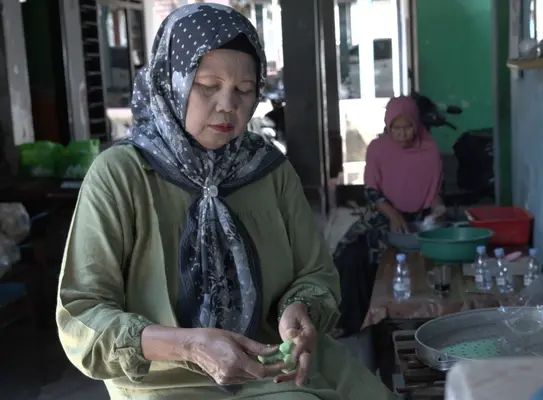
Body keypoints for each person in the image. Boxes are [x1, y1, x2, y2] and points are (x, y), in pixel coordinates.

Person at [55, 4, 394, 399]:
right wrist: (188, 345)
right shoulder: (122, 174)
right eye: (207, 85)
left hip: (273, 366)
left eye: (244, 90)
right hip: (166, 380)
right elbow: (83, 315)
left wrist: (299, 310)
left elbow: (315, 273)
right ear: (172, 81)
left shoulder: (268, 170)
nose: (228, 104)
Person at [332, 96, 445, 335]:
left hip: (418, 221)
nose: (402, 134)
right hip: (383, 213)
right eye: (396, 128)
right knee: (351, 255)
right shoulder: (377, 149)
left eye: (408, 127)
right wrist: (393, 216)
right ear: (388, 126)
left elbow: (433, 192)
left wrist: (438, 209)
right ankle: (353, 322)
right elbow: (372, 192)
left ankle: (418, 322)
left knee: (424, 260)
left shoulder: (430, 148)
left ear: (417, 125)